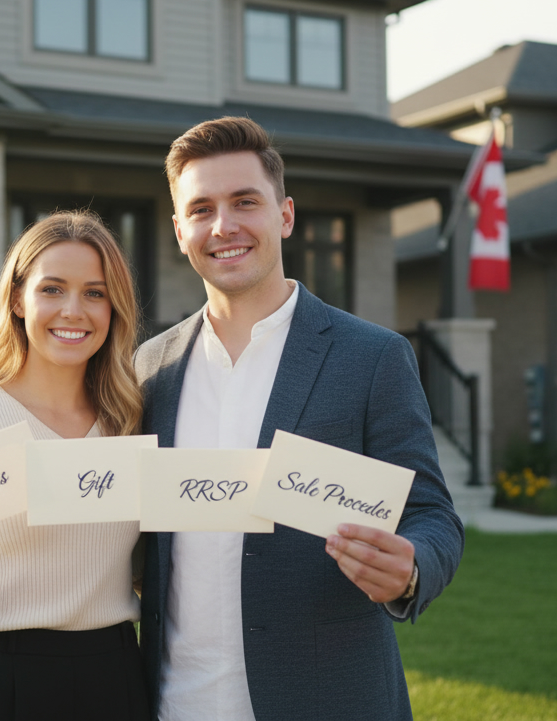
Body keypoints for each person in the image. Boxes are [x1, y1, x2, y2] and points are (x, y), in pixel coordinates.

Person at [134, 117, 465, 720]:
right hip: (175, 705)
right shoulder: (149, 369)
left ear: (284, 215)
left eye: (244, 202)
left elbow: (432, 514)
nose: (224, 225)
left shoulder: (373, 356)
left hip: (328, 700)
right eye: (201, 209)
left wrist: (412, 566)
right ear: (180, 230)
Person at [0, 212, 149, 721]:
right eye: (52, 289)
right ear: (17, 299)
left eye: (95, 293)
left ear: (115, 307)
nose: (73, 311)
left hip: (116, 677)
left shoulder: (132, 420)